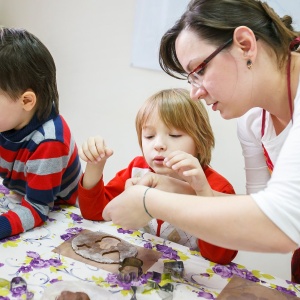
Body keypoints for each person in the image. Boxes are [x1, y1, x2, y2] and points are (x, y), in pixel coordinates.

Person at [102, 0, 300, 282]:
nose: (195, 92)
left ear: (245, 44)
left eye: (200, 71)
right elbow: (259, 206)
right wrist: (173, 186)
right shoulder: (253, 121)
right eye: (190, 78)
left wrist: (149, 202)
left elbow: (280, 225)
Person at [78, 88, 237, 264]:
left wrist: (203, 192)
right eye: (149, 136)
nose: (159, 144)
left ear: (201, 141)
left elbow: (220, 257)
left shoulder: (218, 188)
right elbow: (95, 213)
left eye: (175, 135)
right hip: (136, 269)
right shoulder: (137, 169)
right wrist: (95, 165)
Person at [0, 27, 82, 240]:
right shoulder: (6, 119)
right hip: (19, 194)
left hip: (60, 209)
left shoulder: (49, 142)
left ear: (26, 101)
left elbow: (37, 207)